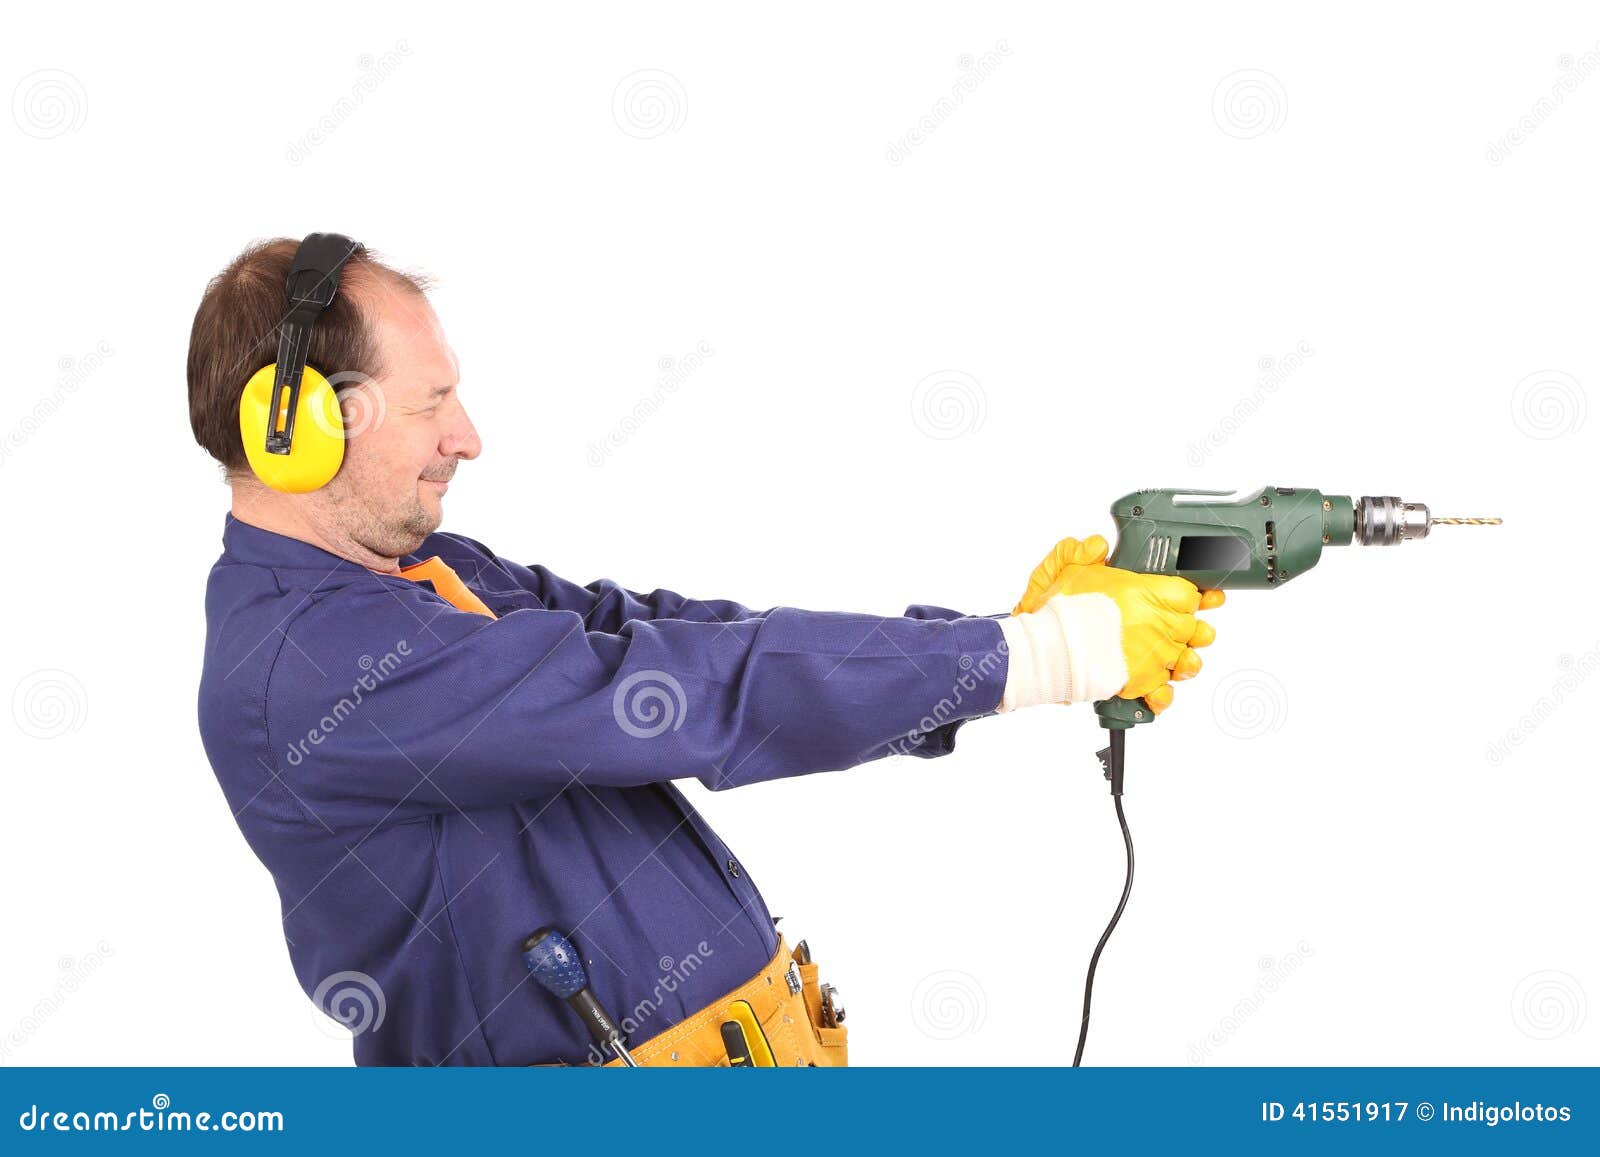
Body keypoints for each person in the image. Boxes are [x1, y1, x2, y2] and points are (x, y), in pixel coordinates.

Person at [189, 236, 1221, 1066]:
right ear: (295, 426)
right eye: (428, 403)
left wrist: (982, 644)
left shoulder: (427, 573)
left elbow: (677, 634)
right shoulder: (309, 666)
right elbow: (673, 690)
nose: (467, 435)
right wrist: (1039, 656)